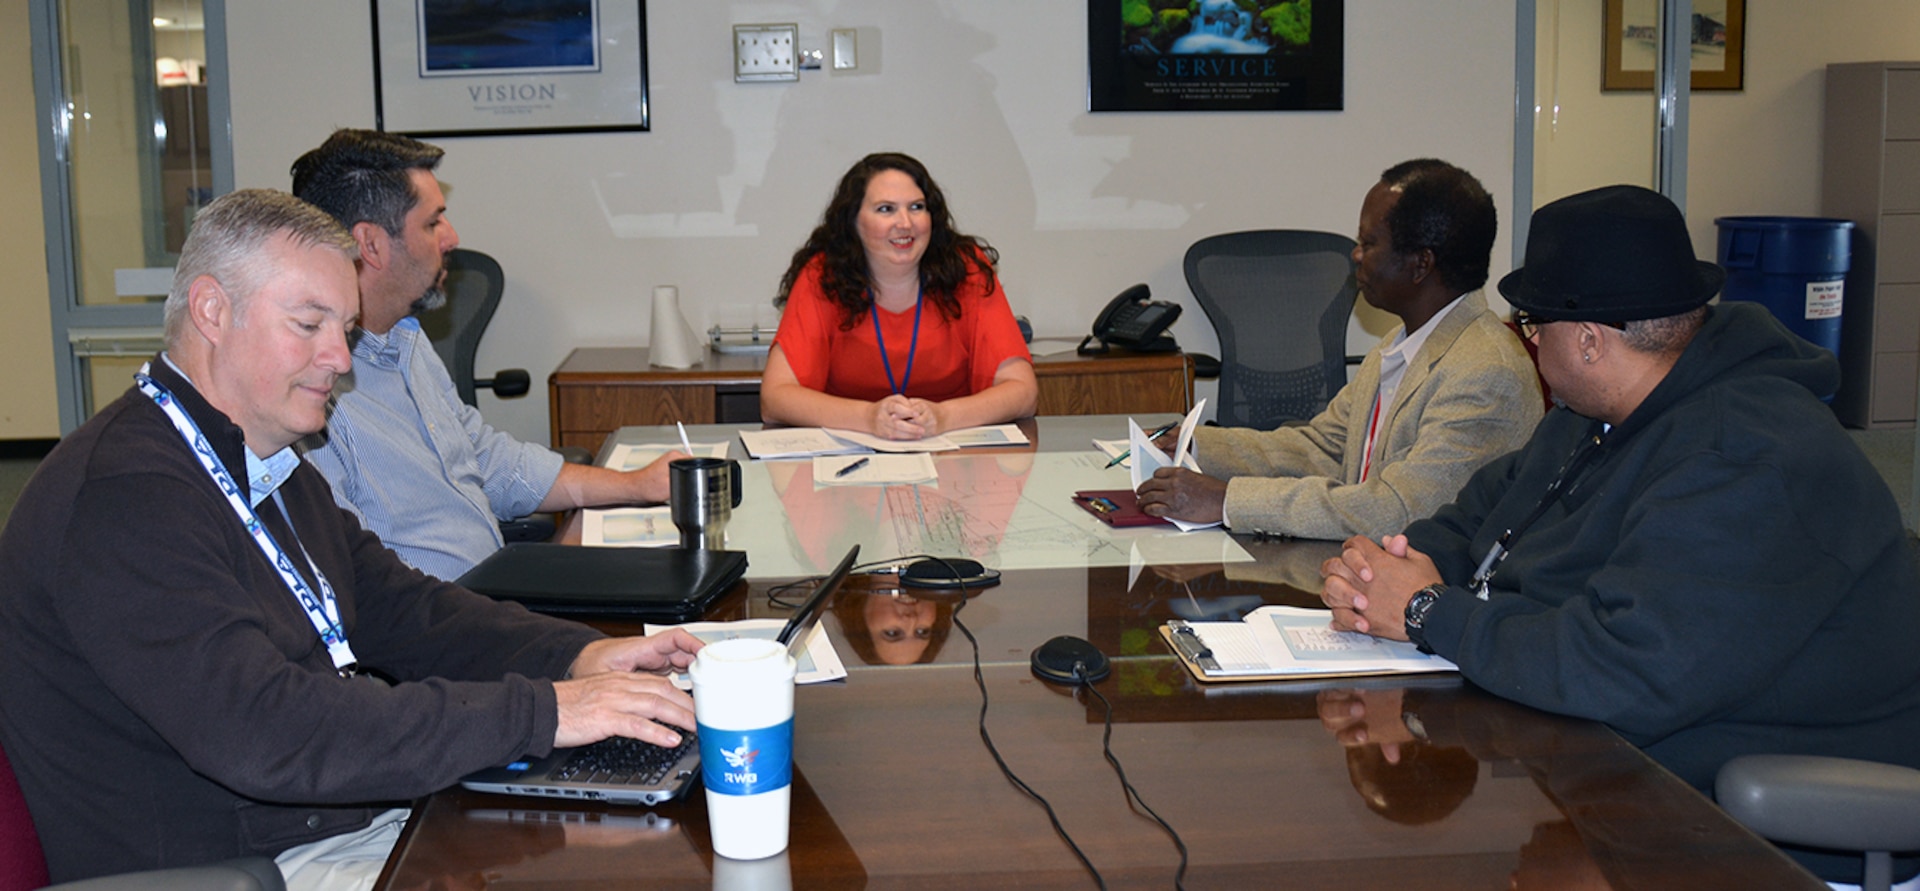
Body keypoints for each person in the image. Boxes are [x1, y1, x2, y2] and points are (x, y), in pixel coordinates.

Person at [0, 190, 703, 888]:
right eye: (309, 324)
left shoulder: (259, 460)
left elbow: (404, 607)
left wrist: (579, 654)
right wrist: (544, 712)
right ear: (212, 310)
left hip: (326, 821)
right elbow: (266, 729)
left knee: (634, 843)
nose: (340, 358)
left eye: (345, 328)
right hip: (240, 865)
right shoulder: (125, 498)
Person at [1318, 184, 1920, 880]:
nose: (1529, 342)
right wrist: (1396, 567)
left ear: (1591, 341)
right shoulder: (1597, 414)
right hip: (1618, 774)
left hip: (1771, 828)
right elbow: (1486, 510)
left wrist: (1427, 610)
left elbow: (1624, 666)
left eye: (1533, 328)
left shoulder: (1750, 456)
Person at [290, 128, 682, 580]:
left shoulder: (407, 341)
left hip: (495, 597)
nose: (452, 237)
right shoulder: (312, 389)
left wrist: (635, 487)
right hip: (441, 632)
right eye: (433, 222)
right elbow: (352, 582)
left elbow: (484, 459)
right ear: (370, 245)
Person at [1136, 159, 1541, 539]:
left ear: (1421, 264)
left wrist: (1226, 501)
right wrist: (1199, 447)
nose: (1356, 254)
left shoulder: (1487, 373)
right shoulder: (1401, 346)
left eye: (1369, 242)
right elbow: (1322, 448)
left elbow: (1398, 512)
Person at [762, 152, 1037, 440]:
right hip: (849, 461)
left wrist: (944, 417)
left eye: (917, 207)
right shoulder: (823, 276)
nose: (905, 223)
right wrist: (868, 419)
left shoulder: (966, 270)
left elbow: (1023, 392)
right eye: (886, 209)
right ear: (853, 220)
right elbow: (775, 399)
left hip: (953, 460)